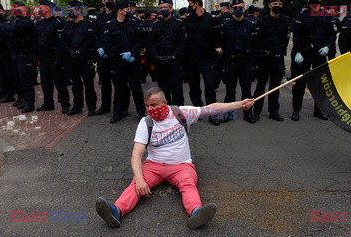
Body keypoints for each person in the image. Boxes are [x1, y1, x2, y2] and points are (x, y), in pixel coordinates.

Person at [95, 86, 255, 229]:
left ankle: (196, 213)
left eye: (154, 105)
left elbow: (210, 109)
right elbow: (136, 155)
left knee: (188, 184)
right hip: (154, 165)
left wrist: (239, 104)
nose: (150, 109)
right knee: (135, 185)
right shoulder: (146, 122)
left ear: (165, 103)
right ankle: (116, 211)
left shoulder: (181, 113)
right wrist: (139, 179)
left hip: (181, 166)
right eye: (147, 106)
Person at [290, 0, 336, 121]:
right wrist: (297, 52)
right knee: (300, 83)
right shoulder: (302, 15)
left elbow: (332, 35)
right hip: (304, 54)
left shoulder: (327, 15)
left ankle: (319, 110)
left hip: (320, 54)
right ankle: (296, 110)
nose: (314, 0)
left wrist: (328, 47)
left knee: (320, 84)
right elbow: (296, 35)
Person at [216, 0, 258, 123]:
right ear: (231, 10)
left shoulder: (250, 26)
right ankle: (229, 114)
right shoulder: (226, 25)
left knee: (246, 90)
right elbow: (220, 44)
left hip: (245, 62)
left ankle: (247, 113)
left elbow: (255, 46)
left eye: (240, 7)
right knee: (230, 90)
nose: (238, 10)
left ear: (244, 9)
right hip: (230, 62)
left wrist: (254, 64)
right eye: (235, 8)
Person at [103, 1, 146, 123]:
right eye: (126, 9)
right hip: (118, 62)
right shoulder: (110, 25)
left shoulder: (134, 23)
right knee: (119, 88)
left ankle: (141, 112)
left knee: (136, 87)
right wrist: (120, 55)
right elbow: (107, 43)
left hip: (132, 61)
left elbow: (140, 40)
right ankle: (117, 113)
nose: (129, 11)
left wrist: (131, 53)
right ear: (120, 10)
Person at [184, 0, 221, 125]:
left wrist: (217, 48)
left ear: (197, 3)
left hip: (207, 59)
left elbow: (217, 38)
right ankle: (198, 111)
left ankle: (212, 113)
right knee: (194, 87)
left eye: (190, 4)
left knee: (210, 87)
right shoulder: (188, 19)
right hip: (192, 59)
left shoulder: (211, 19)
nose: (189, 6)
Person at [252, 0, 290, 122]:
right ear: (269, 6)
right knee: (260, 87)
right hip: (264, 59)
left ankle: (273, 111)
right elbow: (256, 41)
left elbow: (286, 39)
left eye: (279, 4)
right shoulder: (262, 21)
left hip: (278, 58)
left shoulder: (285, 21)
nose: (277, 6)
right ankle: (256, 111)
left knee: (275, 87)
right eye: (275, 4)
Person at [148, 0, 187, 106]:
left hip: (175, 61)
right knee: (163, 91)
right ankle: (166, 114)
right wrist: (156, 56)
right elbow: (151, 43)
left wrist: (174, 56)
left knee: (177, 90)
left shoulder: (179, 23)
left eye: (165, 7)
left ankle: (179, 115)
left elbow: (183, 42)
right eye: (161, 7)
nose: (163, 9)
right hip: (160, 62)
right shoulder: (155, 25)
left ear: (171, 8)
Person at [60, 0, 97, 116]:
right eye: (69, 10)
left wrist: (80, 51)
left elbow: (90, 40)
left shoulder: (88, 24)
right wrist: (71, 51)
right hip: (72, 59)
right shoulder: (68, 25)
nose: (70, 12)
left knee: (88, 84)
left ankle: (91, 107)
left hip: (85, 58)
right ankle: (77, 106)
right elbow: (63, 41)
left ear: (79, 10)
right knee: (76, 85)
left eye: (73, 10)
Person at [33, 0, 71, 113]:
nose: (39, 9)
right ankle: (48, 103)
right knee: (45, 82)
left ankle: (65, 103)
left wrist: (60, 58)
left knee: (59, 82)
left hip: (54, 55)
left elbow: (61, 42)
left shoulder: (58, 22)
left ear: (48, 8)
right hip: (43, 56)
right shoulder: (40, 23)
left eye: (41, 7)